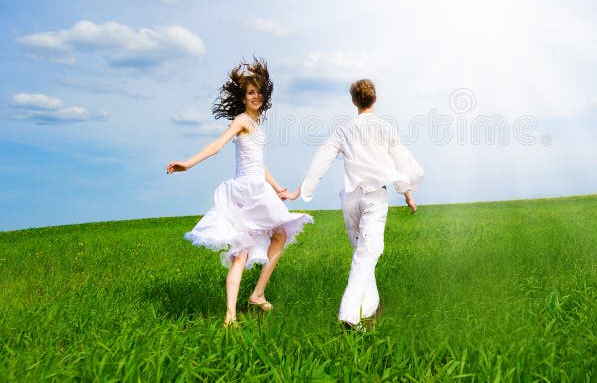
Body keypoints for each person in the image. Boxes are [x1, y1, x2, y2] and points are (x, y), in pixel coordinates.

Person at [167, 57, 313, 327]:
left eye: (258, 92)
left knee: (277, 236)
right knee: (243, 251)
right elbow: (217, 145)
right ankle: (233, 314)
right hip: (246, 191)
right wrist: (188, 163)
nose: (255, 96)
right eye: (250, 92)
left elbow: (259, 164)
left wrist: (278, 187)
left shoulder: (257, 125)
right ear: (243, 98)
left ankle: (254, 296)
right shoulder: (242, 120)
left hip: (259, 187)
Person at [284, 78, 423, 329]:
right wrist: (408, 194)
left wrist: (301, 191)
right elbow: (403, 163)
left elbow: (321, 159)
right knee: (368, 254)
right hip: (373, 198)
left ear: (353, 101)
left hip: (350, 200)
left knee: (363, 255)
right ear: (375, 99)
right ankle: (348, 314)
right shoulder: (386, 128)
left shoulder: (343, 130)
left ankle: (369, 306)